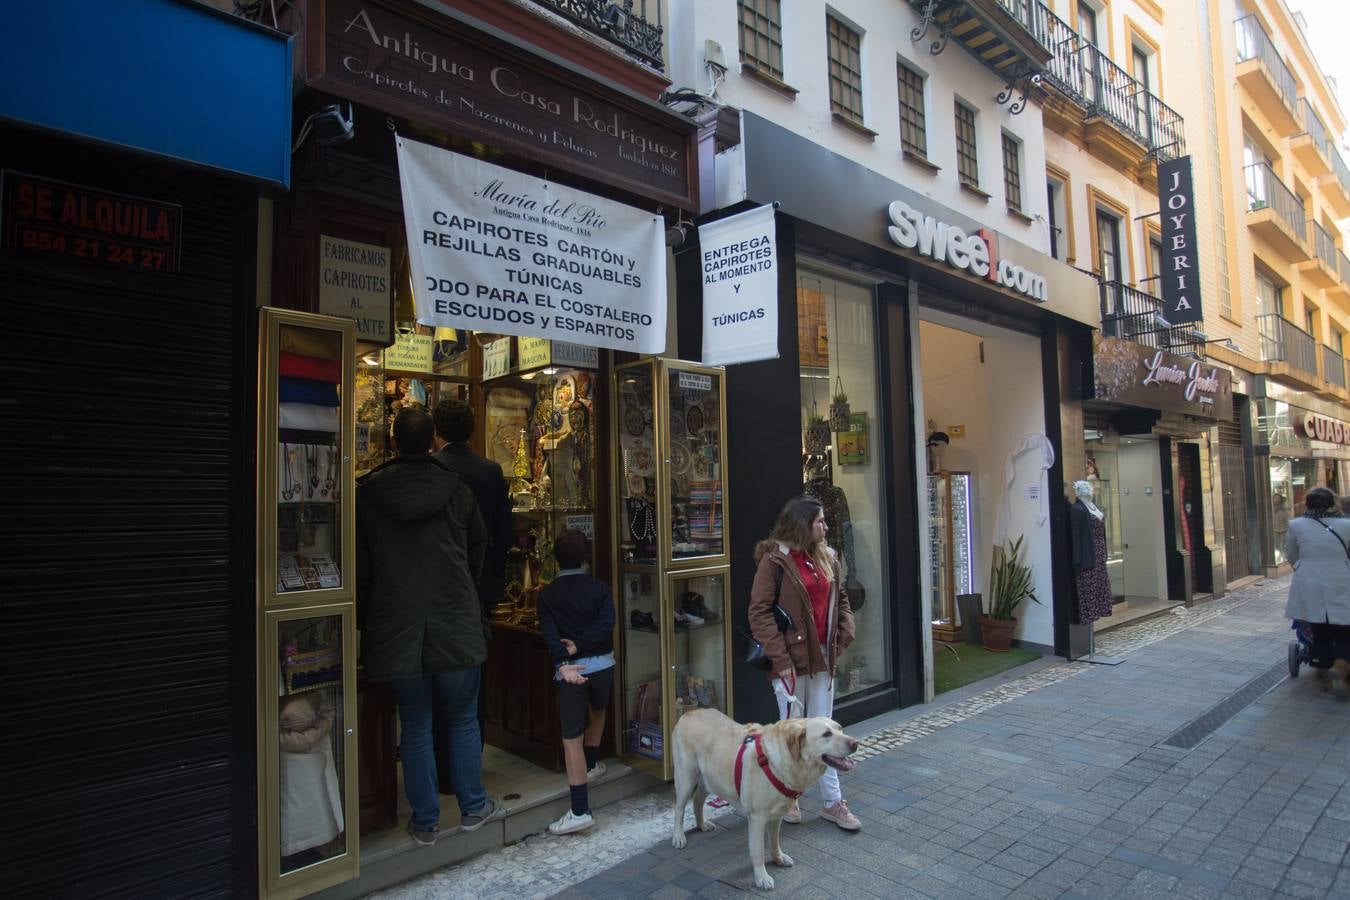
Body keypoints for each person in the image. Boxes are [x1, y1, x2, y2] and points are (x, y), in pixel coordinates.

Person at [356, 407, 500, 846]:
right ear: (433, 439)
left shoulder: (368, 494)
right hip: (454, 618)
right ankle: (473, 806)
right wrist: (467, 596)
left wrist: (369, 619)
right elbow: (480, 548)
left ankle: (425, 821)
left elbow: (362, 571)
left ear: (394, 441)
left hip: (396, 623)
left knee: (415, 724)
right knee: (461, 718)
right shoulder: (456, 490)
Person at [747, 495, 859, 830]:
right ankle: (790, 798)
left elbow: (841, 598)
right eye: (820, 521)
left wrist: (845, 629)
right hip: (791, 665)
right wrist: (781, 661)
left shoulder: (828, 558)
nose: (826, 526)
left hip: (823, 660)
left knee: (827, 732)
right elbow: (759, 612)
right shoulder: (775, 561)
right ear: (802, 525)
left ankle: (832, 802)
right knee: (791, 734)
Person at [432, 398, 515, 781]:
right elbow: (505, 533)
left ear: (438, 432)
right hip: (479, 588)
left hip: (437, 588)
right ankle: (470, 761)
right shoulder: (490, 470)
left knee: (436, 675)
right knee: (473, 674)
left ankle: (443, 765)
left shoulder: (433, 469)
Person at [536, 529, 615, 835]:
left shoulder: (548, 595)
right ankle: (593, 764)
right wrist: (581, 644)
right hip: (603, 663)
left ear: (556, 558)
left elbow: (549, 634)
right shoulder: (599, 588)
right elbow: (606, 624)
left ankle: (580, 809)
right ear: (586, 557)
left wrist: (564, 657)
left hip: (570, 670)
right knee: (599, 710)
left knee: (571, 739)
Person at [1283, 486, 1350, 699]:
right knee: (1343, 627)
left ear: (1307, 504)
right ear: (1333, 503)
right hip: (1341, 578)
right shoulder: (1347, 525)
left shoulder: (1296, 525)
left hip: (1309, 581)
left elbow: (1291, 554)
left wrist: (1304, 568)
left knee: (1318, 627)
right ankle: (1343, 664)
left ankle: (1325, 667)